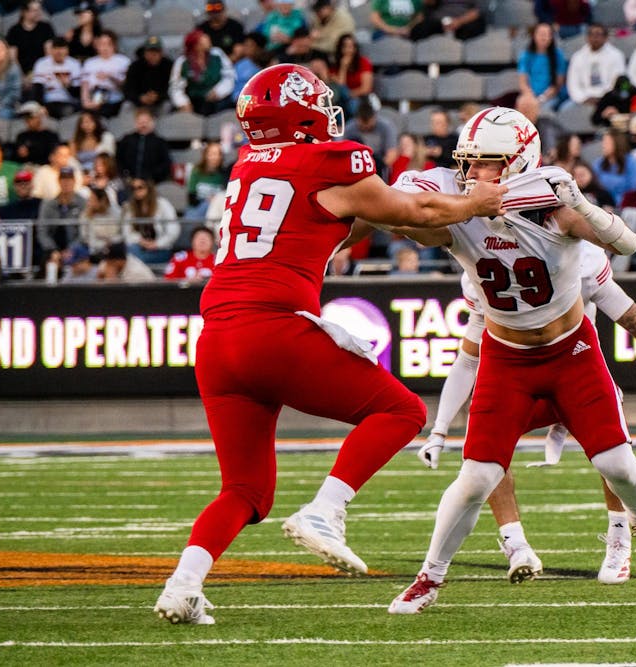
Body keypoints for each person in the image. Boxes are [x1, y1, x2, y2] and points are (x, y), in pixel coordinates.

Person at [152, 63, 507, 626]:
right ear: (300, 114)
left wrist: (413, 214)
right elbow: (414, 211)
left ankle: (183, 584)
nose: (327, 113)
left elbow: (339, 220)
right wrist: (475, 203)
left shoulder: (248, 164)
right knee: (401, 411)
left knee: (246, 490)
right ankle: (326, 510)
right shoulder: (329, 160)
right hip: (273, 327)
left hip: (218, 338)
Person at [385, 106, 636, 613]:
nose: (471, 173)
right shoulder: (459, 212)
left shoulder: (554, 208)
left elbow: (628, 242)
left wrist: (581, 204)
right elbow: (407, 217)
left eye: (485, 162)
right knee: (476, 477)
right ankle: (430, 577)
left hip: (571, 352)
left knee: (617, 463)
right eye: (467, 162)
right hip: (506, 357)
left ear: (518, 162)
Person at [417, 241, 636, 585]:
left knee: (614, 457)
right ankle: (515, 542)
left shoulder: (581, 257)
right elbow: (469, 357)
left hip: (576, 373)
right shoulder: (484, 260)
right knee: (484, 447)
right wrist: (438, 429)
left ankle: (622, 533)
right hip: (520, 381)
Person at [170, 29, 236, 116]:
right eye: (203, 40)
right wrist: (183, 102)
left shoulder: (217, 54)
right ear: (196, 46)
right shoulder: (182, 62)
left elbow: (229, 76)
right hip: (194, 101)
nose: (208, 40)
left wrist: (219, 91)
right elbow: (176, 87)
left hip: (218, 100)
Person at [121, 178, 180, 264]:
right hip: (139, 247)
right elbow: (127, 233)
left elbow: (173, 230)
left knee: (135, 259)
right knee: (131, 251)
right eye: (133, 188)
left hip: (161, 249)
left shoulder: (163, 204)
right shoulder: (130, 207)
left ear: (148, 187)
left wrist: (157, 244)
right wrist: (140, 241)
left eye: (140, 187)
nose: (136, 191)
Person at [567, 24, 626, 106]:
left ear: (606, 38)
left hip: (608, 98)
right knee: (565, 109)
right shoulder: (577, 57)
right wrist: (583, 98)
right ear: (587, 38)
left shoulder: (616, 55)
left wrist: (604, 99)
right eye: (592, 35)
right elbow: (572, 83)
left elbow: (618, 81)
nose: (595, 38)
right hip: (583, 98)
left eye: (598, 35)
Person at [518, 23, 568, 113]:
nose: (544, 37)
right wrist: (530, 96)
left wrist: (542, 98)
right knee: (522, 104)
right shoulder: (526, 55)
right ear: (534, 35)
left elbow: (558, 83)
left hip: (551, 96)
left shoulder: (558, 55)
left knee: (542, 109)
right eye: (541, 34)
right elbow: (523, 82)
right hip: (530, 95)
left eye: (548, 34)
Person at [79, 30, 130, 118]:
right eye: (102, 44)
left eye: (108, 44)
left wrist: (110, 76)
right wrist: (85, 101)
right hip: (94, 95)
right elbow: (85, 84)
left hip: (114, 98)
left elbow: (126, 84)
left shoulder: (123, 61)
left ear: (114, 45)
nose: (105, 48)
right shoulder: (90, 62)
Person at [116, 107, 173, 183]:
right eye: (140, 122)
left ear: (152, 122)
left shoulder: (160, 142)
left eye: (146, 122)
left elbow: (165, 164)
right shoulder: (127, 140)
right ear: (135, 123)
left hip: (152, 182)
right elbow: (118, 160)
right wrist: (127, 176)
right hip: (129, 181)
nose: (143, 125)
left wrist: (150, 177)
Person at [37, 166, 85, 255]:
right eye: (63, 179)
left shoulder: (82, 203)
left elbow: (84, 232)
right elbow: (42, 231)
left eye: (69, 179)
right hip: (53, 249)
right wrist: (52, 250)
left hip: (76, 249)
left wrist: (72, 249)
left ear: (74, 181)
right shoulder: (48, 204)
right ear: (58, 181)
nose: (66, 182)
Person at [344, 103, 399, 180]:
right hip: (356, 162)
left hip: (379, 162)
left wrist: (378, 166)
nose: (366, 127)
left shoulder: (386, 127)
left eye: (368, 124)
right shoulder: (349, 128)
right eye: (362, 125)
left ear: (374, 117)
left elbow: (392, 153)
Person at [31, 36, 82, 119]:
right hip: (48, 101)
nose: (58, 52)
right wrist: (40, 106)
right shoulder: (42, 63)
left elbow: (78, 93)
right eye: (56, 49)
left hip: (67, 101)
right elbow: (37, 88)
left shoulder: (74, 64)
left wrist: (68, 85)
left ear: (67, 50)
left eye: (61, 49)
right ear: (51, 50)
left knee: (68, 111)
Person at [592, 130, 636, 206]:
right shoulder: (598, 163)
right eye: (603, 142)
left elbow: (634, 190)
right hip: (602, 206)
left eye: (607, 143)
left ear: (617, 144)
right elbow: (593, 185)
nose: (603, 145)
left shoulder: (632, 163)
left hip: (625, 206)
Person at [5, 0, 54, 77]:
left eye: (40, 10)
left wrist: (38, 74)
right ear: (24, 12)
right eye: (35, 10)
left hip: (42, 72)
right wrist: (21, 76)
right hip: (20, 73)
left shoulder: (46, 28)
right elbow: (13, 57)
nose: (39, 13)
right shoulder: (14, 30)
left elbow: (49, 53)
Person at [124, 37, 173, 111]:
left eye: (156, 52)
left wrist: (158, 96)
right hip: (139, 103)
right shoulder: (135, 66)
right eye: (150, 51)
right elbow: (128, 89)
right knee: (126, 105)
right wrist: (140, 97)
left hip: (160, 102)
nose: (153, 55)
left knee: (167, 105)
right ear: (144, 53)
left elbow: (172, 88)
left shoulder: (169, 65)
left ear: (161, 53)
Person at [329, 33, 373, 109]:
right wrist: (343, 68)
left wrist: (348, 95)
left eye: (351, 47)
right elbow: (341, 86)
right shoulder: (334, 67)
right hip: (341, 99)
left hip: (360, 98)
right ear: (340, 48)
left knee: (352, 103)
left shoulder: (363, 62)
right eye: (345, 46)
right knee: (336, 104)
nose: (348, 50)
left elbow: (366, 88)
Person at [185, 142, 228, 221]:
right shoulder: (197, 171)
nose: (216, 157)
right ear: (205, 155)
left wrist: (215, 200)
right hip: (198, 206)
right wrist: (206, 200)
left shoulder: (224, 173)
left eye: (219, 154)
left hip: (217, 207)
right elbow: (191, 196)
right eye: (213, 154)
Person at [409, 0, 486, 41]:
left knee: (475, 27)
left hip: (465, 20)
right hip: (439, 20)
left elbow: (478, 10)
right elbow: (428, 4)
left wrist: (459, 21)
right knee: (419, 30)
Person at [13, 101, 61, 166]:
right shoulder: (21, 136)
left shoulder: (50, 136)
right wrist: (20, 154)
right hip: (24, 168)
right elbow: (15, 158)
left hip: (44, 168)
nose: (28, 120)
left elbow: (52, 157)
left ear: (39, 117)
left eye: (31, 117)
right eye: (25, 118)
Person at [78, 184, 120, 253]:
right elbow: (85, 237)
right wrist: (102, 244)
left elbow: (119, 233)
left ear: (101, 201)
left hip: (114, 246)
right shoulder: (85, 215)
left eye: (92, 199)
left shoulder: (115, 213)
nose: (89, 202)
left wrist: (111, 241)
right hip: (92, 248)